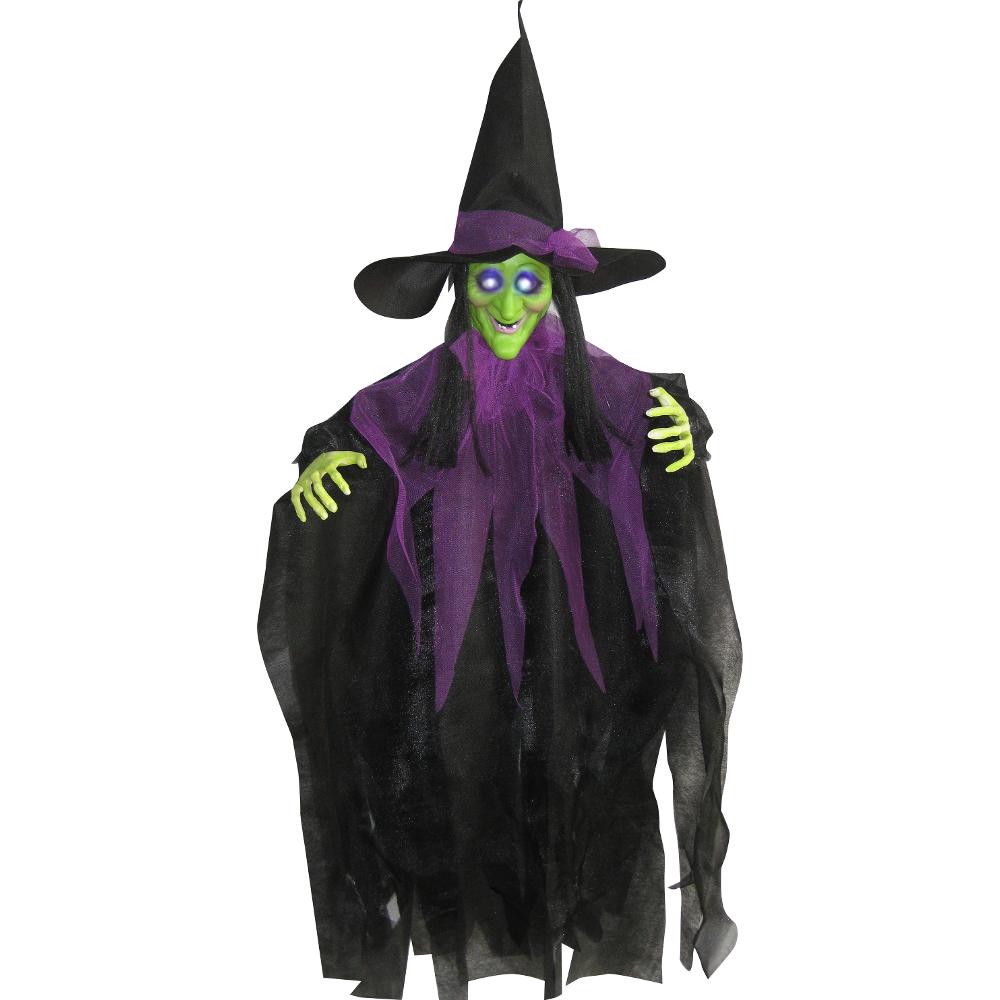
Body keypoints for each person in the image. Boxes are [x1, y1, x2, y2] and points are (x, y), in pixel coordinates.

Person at [258, 6, 741, 998]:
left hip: (580, 675)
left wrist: (688, 436)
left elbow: (665, 420)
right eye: (491, 283)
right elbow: (345, 438)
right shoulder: (418, 396)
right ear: (462, 289)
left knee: (576, 789)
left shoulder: (596, 385)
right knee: (458, 789)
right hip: (454, 675)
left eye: (528, 282)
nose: (512, 305)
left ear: (556, 287)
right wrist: (317, 477)